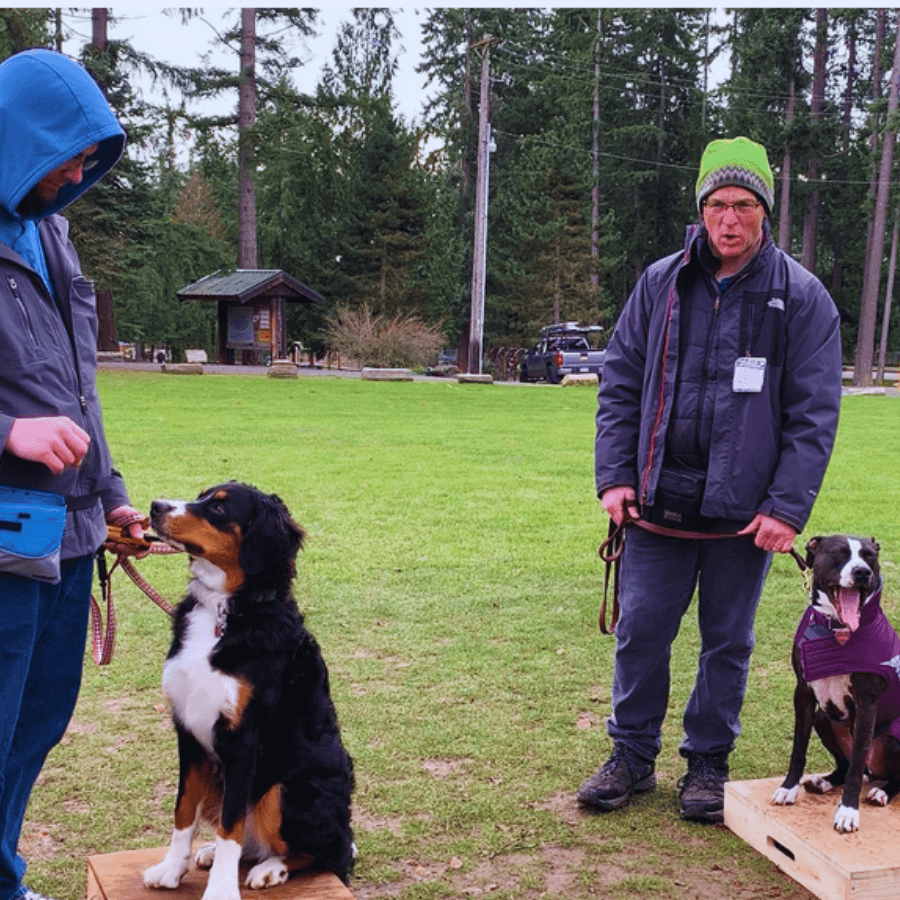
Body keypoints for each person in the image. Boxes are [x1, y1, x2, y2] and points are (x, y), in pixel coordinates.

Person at [578, 137, 842, 823]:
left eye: (745, 205)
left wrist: (786, 506)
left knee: (728, 642)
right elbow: (620, 385)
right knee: (641, 633)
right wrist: (615, 478)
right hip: (658, 506)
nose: (729, 219)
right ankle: (631, 755)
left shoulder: (802, 297)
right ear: (702, 210)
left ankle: (706, 762)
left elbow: (813, 414)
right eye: (718, 205)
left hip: (744, 518)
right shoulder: (660, 282)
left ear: (765, 212)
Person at [0, 49, 147, 900]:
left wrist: (114, 498)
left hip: (73, 534)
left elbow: (78, 394)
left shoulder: (53, 229)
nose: (78, 170)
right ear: (21, 138)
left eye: (92, 155)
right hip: (2, 537)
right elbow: (32, 416)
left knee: (36, 724)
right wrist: (8, 432)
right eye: (69, 151)